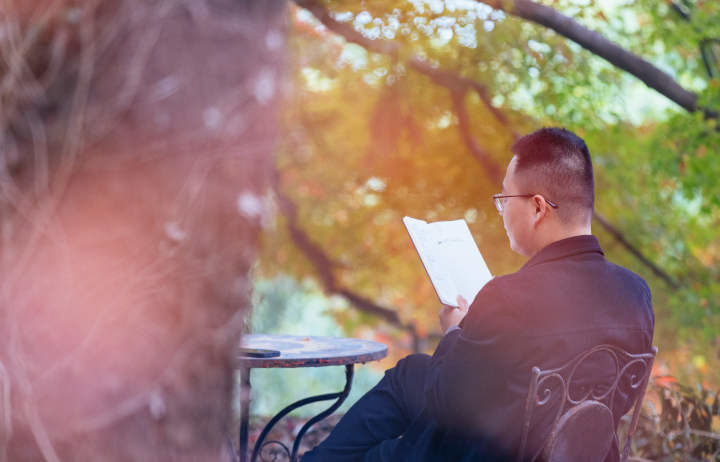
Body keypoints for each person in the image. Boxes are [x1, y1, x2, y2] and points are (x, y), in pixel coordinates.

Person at [301, 127, 655, 462]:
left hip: (480, 453)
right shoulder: (636, 295)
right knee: (412, 372)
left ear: (537, 208)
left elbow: (445, 401)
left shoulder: (508, 297)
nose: (502, 212)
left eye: (504, 198)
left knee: (398, 397)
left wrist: (456, 330)